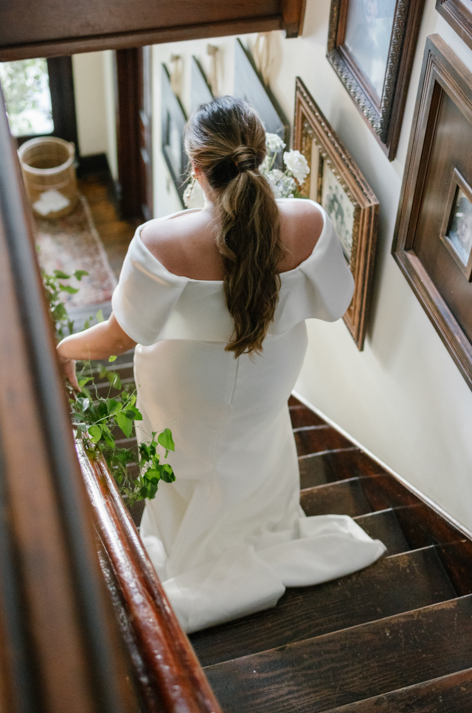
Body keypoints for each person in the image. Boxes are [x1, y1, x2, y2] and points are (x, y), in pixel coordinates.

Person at [57, 98, 385, 633]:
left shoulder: (160, 242)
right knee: (254, 440)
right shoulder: (308, 221)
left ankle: (193, 541)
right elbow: (334, 304)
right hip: (270, 370)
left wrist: (61, 351)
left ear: (196, 167)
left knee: (188, 455)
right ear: (260, 154)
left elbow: (122, 335)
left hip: (187, 386)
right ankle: (255, 526)